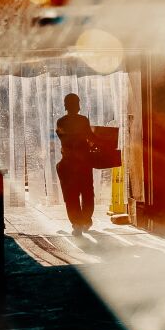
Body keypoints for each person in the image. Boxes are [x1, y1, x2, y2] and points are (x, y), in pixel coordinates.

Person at [55, 93, 96, 236]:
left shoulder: (61, 121)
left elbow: (62, 138)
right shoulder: (83, 120)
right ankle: (85, 220)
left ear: (65, 106)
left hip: (68, 162)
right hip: (83, 163)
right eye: (78, 103)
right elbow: (91, 138)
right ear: (78, 105)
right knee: (87, 192)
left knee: (71, 194)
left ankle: (77, 223)